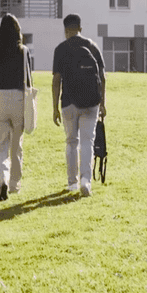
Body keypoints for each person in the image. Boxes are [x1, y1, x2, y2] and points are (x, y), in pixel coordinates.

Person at [51, 13, 106, 197]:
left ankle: (72, 183)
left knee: (71, 142)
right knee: (87, 142)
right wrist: (103, 103)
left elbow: (56, 80)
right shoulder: (93, 46)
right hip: (92, 103)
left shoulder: (60, 49)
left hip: (69, 103)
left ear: (66, 30)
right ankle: (86, 181)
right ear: (80, 29)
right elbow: (102, 77)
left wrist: (54, 108)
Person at [0, 14, 32, 201]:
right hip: (18, 97)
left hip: (0, 95)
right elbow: (29, 80)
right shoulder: (23, 50)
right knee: (16, 145)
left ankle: (2, 182)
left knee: (0, 146)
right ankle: (14, 185)